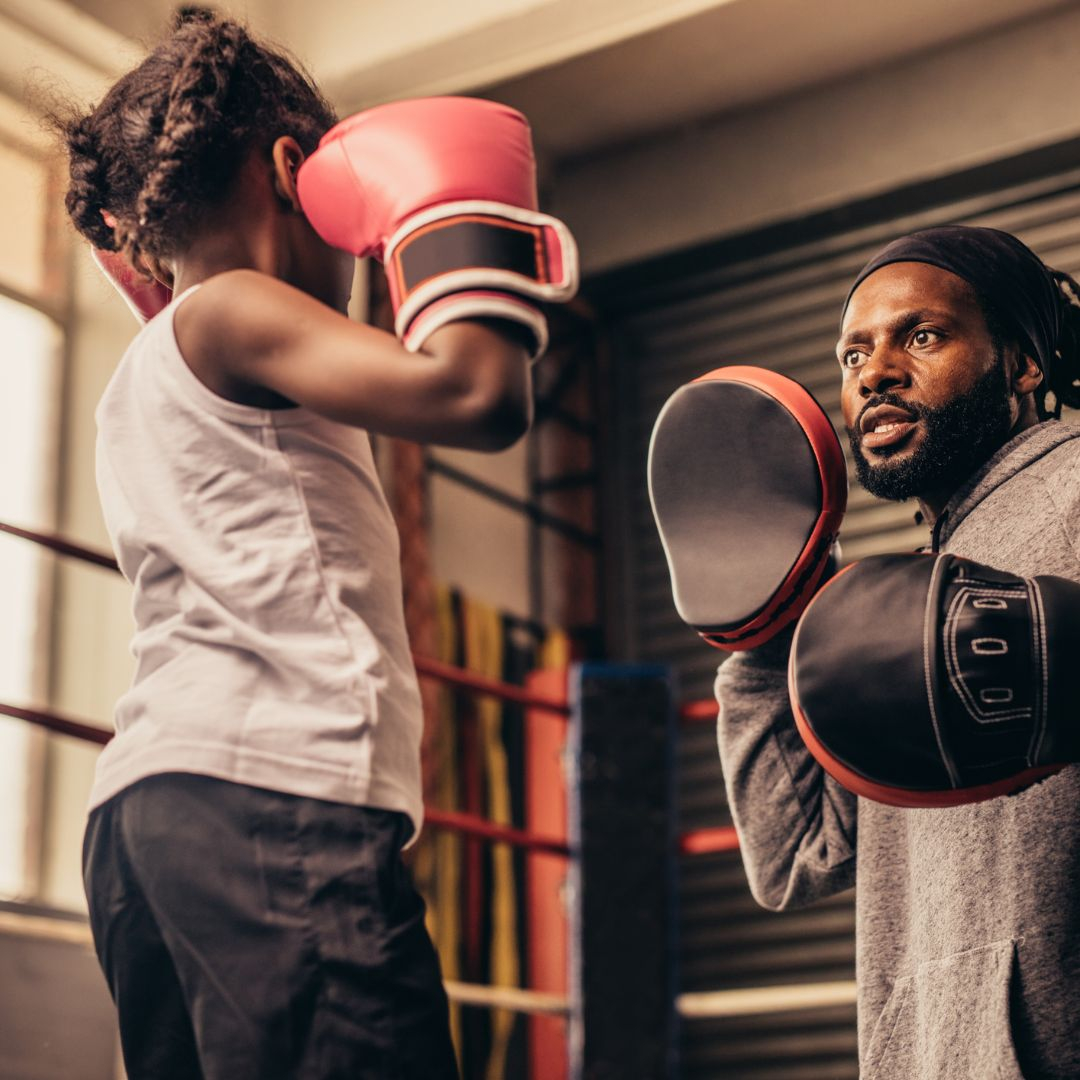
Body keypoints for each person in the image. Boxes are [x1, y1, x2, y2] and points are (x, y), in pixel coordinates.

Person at [55, 11, 575, 1080]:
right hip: (267, 793)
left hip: (147, 818)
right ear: (296, 170)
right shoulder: (231, 310)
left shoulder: (150, 368)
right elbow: (475, 392)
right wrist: (450, 217)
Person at [714, 225, 1080, 1079]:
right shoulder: (908, 608)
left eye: (922, 336)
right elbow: (793, 852)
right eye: (852, 355)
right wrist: (768, 633)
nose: (874, 372)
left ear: (1022, 366)